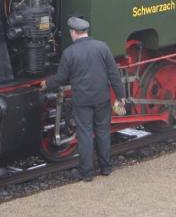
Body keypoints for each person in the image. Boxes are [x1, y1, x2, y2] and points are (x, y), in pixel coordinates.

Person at [41, 17, 126, 181]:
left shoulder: (69, 53)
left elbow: (61, 78)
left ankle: (87, 173)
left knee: (85, 134)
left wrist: (46, 83)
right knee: (103, 131)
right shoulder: (102, 47)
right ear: (86, 32)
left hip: (82, 101)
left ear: (73, 32)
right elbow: (113, 74)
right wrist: (121, 95)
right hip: (102, 98)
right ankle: (106, 168)